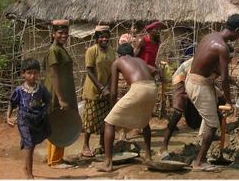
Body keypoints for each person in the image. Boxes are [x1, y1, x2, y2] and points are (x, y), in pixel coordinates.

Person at [184, 13, 239, 171]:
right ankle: (199, 162)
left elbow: (212, 67)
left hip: (195, 81)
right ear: (237, 30)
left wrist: (234, 90)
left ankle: (206, 151)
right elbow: (224, 78)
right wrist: (229, 101)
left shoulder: (210, 37)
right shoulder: (222, 48)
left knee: (212, 116)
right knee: (213, 124)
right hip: (199, 84)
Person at [97, 43, 157, 173]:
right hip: (152, 88)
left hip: (138, 88)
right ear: (132, 53)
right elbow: (155, 70)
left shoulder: (117, 62)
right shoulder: (140, 60)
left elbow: (113, 92)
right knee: (145, 122)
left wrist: (112, 108)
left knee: (109, 122)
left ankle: (108, 163)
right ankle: (148, 156)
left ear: (119, 54)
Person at [7, 58, 52, 179]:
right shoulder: (19, 91)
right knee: (29, 144)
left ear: (38, 73)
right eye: (29, 73)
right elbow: (12, 103)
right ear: (23, 74)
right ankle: (29, 174)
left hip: (36, 120)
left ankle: (25, 167)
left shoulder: (41, 89)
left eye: (35, 73)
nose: (32, 76)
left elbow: (48, 100)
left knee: (32, 146)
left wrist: (44, 110)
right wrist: (8, 117)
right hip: (24, 121)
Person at [43, 19, 78, 168]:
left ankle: (53, 157)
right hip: (57, 92)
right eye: (60, 33)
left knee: (55, 123)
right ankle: (56, 160)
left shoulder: (60, 49)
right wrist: (61, 98)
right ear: (53, 34)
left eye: (66, 33)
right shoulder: (54, 50)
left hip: (62, 90)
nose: (64, 35)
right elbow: (54, 75)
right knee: (60, 122)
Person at [80, 25, 115, 158]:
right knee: (90, 119)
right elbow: (89, 71)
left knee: (105, 119)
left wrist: (107, 88)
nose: (104, 39)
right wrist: (101, 87)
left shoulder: (112, 52)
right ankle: (85, 146)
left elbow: (113, 71)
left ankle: (101, 144)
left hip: (106, 91)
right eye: (101, 37)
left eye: (106, 36)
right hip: (93, 90)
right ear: (96, 38)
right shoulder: (91, 51)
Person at [159, 56, 194, 159]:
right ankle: (163, 147)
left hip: (190, 79)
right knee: (177, 112)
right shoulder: (207, 58)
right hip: (181, 79)